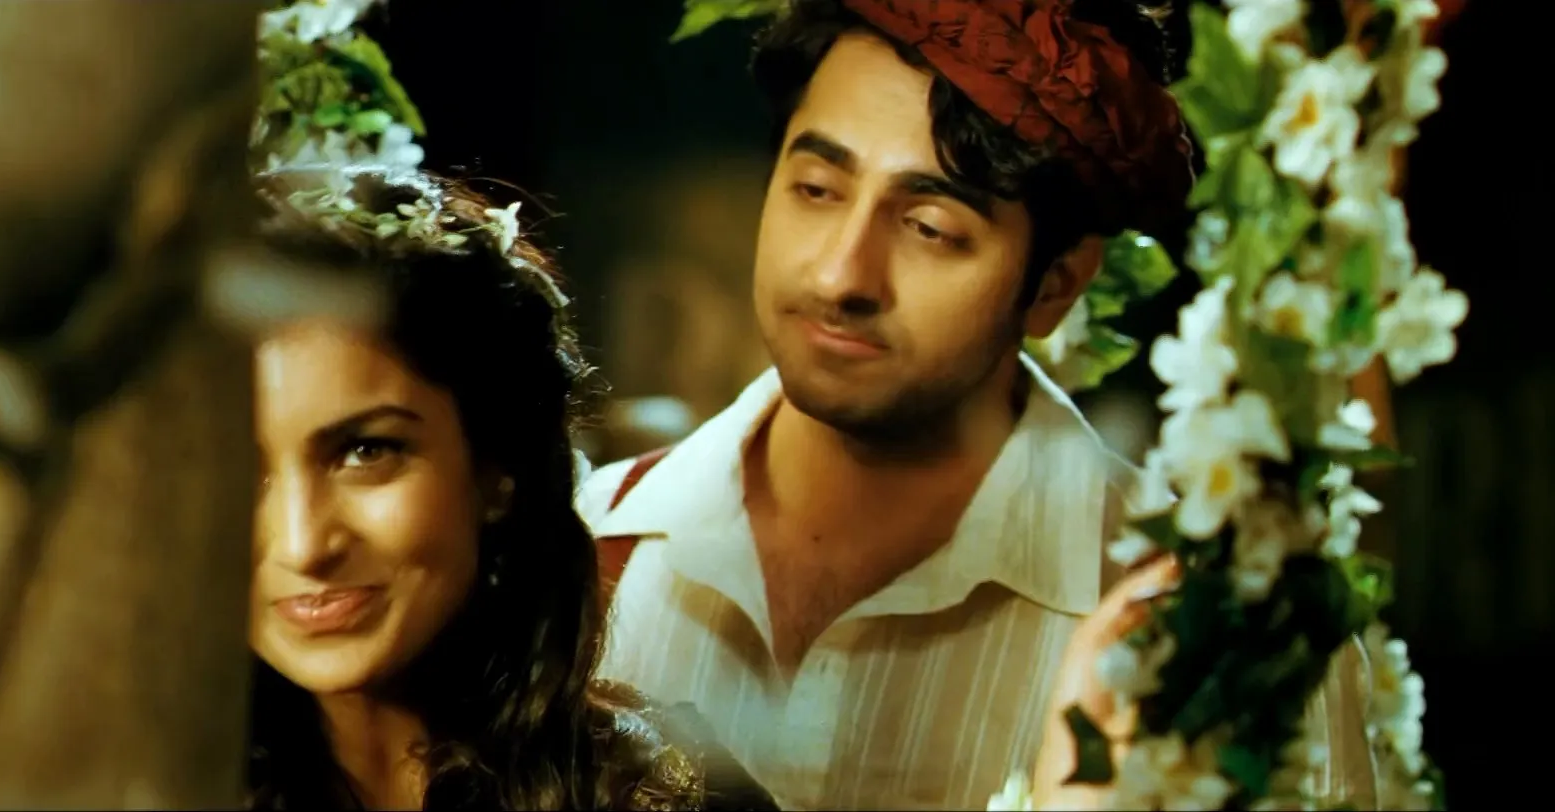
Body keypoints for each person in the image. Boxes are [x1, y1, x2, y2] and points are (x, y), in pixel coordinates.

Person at [578, 1, 1251, 808]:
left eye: (929, 227)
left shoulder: (1210, 639)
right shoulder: (574, 547)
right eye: (816, 189)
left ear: (1056, 284)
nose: (841, 276)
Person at [243, 164, 778, 810]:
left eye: (366, 451)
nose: (303, 544)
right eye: (244, 473)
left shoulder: (667, 792)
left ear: (497, 467)